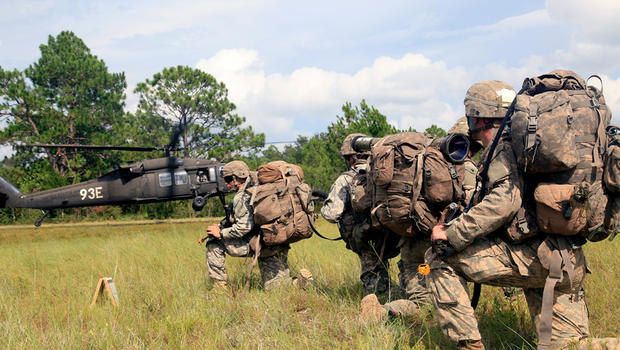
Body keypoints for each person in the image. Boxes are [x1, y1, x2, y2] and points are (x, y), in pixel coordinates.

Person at [427, 81, 618, 349]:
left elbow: (505, 201)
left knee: (439, 258)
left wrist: (451, 234)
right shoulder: (531, 144)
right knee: (569, 346)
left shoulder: (504, 146)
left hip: (536, 259)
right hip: (568, 261)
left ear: (478, 116)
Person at [205, 160, 309, 290]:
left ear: (236, 178)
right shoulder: (259, 186)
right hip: (277, 240)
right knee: (274, 287)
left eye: (227, 179)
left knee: (214, 243)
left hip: (260, 243)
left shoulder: (243, 196)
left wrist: (220, 233)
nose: (226, 183)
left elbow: (244, 227)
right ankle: (299, 283)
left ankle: (219, 288)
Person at [321, 133, 401, 298]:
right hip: (394, 232)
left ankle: (379, 308)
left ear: (351, 158)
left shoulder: (346, 179)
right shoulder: (388, 173)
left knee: (373, 276)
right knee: (405, 269)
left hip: (367, 236)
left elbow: (331, 214)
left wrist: (322, 206)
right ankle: (402, 297)